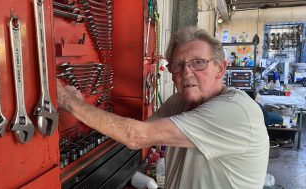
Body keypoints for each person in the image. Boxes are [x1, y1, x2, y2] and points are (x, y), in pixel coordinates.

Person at [57, 27, 269, 189]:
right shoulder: (181, 102)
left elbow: (136, 136)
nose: (186, 72)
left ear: (220, 68)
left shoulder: (236, 111)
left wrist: (69, 101)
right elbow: (140, 132)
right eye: (178, 65)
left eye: (198, 63)